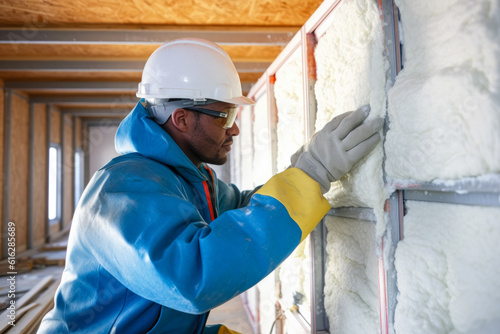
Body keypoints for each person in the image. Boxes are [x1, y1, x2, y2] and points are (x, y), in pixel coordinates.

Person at [38, 38, 383, 333]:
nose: (234, 130)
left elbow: (247, 208)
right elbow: (193, 276)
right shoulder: (120, 191)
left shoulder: (189, 178)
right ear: (182, 119)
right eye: (226, 117)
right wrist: (313, 173)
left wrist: (302, 171)